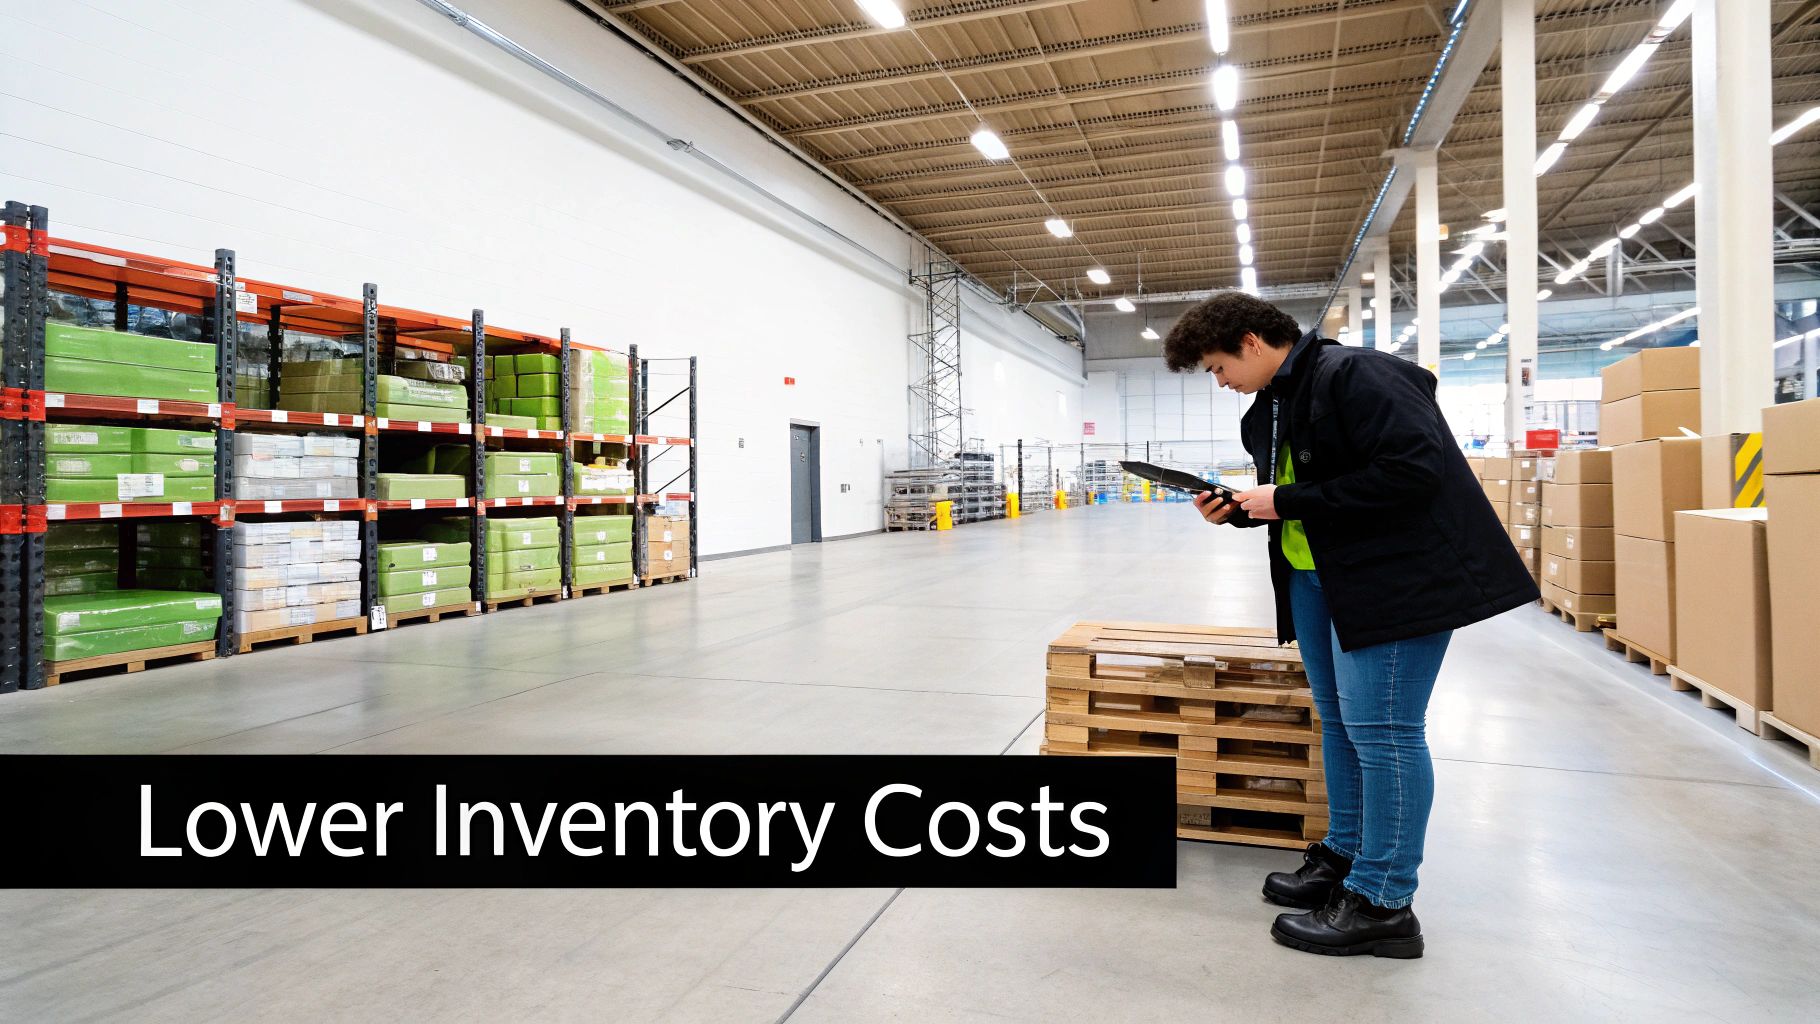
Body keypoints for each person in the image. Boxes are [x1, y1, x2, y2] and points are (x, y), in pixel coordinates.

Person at [1162, 292, 1538, 960]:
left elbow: (1414, 471)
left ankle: (1384, 901)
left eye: (1219, 367)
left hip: (1392, 579)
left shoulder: (1359, 375)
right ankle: (1345, 854)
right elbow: (1300, 499)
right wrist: (1243, 510)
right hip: (1317, 578)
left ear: (1251, 341)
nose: (1220, 383)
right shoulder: (1270, 409)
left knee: (1386, 733)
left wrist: (1284, 499)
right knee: (1339, 724)